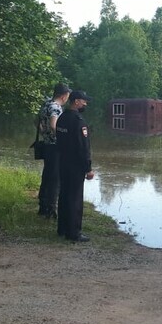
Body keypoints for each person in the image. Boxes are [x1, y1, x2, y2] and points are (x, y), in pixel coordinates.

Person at [56, 90, 95, 242]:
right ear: (76, 101)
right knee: (75, 199)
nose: (86, 103)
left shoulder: (62, 118)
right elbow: (83, 148)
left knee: (64, 195)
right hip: (76, 166)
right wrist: (88, 168)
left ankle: (62, 228)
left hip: (63, 162)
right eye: (84, 101)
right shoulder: (78, 121)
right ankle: (73, 233)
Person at [37, 83, 71, 219]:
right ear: (64, 96)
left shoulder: (45, 104)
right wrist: (63, 139)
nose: (67, 98)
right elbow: (53, 125)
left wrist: (43, 133)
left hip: (46, 145)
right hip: (55, 146)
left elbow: (36, 122)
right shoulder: (55, 108)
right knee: (55, 178)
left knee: (47, 175)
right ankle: (51, 209)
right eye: (67, 96)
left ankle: (43, 205)